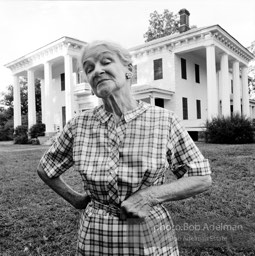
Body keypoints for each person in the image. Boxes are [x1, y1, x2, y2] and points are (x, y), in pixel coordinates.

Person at [37, 40, 212, 256]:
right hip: (96, 236)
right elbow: (46, 168)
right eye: (89, 68)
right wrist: (75, 199)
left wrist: (150, 196)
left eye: (106, 62)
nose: (97, 71)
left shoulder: (164, 120)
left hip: (148, 234)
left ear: (129, 70)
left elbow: (201, 177)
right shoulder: (78, 125)